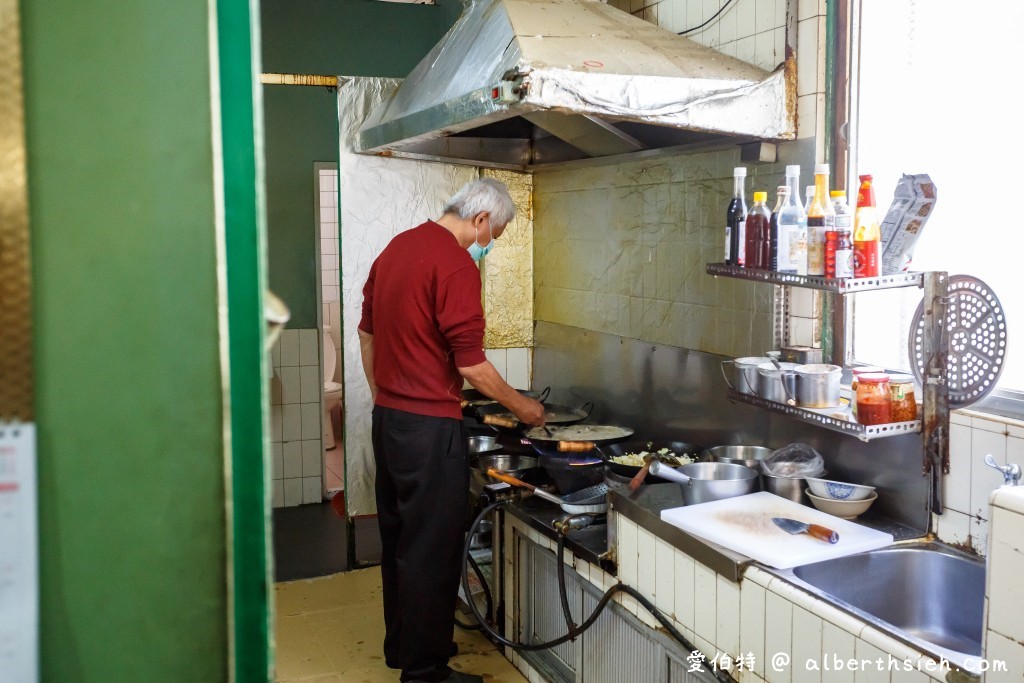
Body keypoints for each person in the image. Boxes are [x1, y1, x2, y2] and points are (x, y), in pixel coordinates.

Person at [358, 178, 546, 683]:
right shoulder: (455, 262)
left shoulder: (395, 248)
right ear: (481, 219)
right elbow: (472, 367)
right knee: (432, 550)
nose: (490, 245)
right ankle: (426, 673)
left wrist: (386, 392)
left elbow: (366, 331)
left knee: (400, 538)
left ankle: (402, 648)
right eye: (496, 234)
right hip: (429, 429)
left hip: (390, 421)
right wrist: (524, 408)